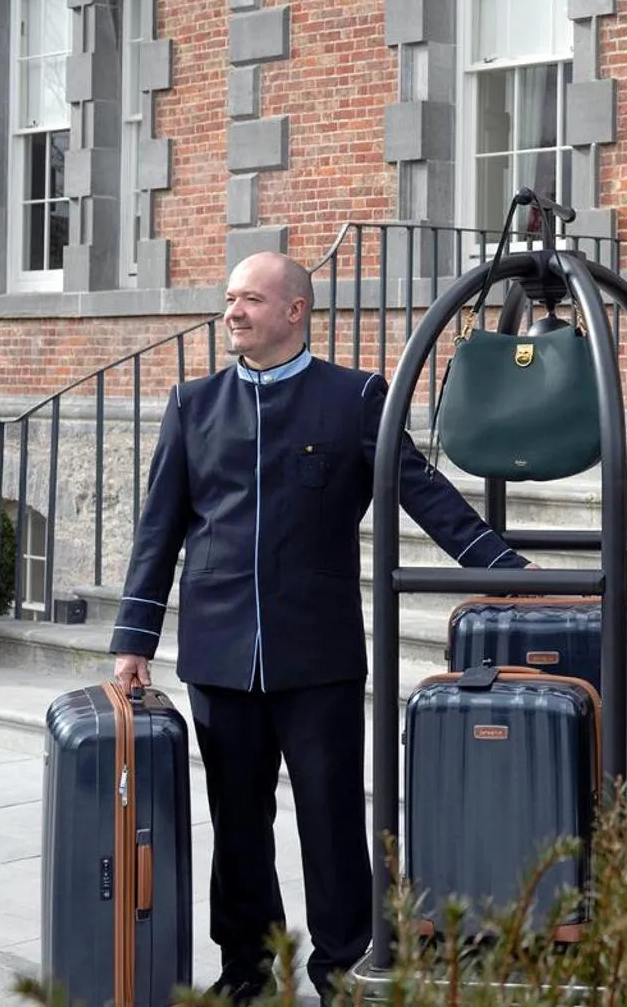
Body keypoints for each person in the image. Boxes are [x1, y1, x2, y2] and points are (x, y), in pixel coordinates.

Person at [109, 250, 529, 1004]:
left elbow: (421, 491)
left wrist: (506, 573)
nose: (233, 312)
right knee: (237, 827)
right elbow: (159, 529)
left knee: (332, 823)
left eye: (250, 299)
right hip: (217, 653)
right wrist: (134, 639)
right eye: (229, 298)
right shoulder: (192, 404)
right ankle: (246, 967)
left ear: (294, 310)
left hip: (320, 655)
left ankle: (342, 969)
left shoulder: (354, 398)